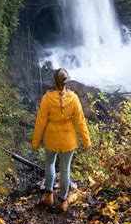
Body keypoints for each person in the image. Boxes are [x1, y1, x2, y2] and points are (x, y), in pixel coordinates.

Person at [31, 68, 91, 211]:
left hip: (51, 137)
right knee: (65, 169)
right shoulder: (74, 98)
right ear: (67, 81)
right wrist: (86, 140)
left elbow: (41, 121)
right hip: (68, 139)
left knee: (50, 164)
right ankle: (63, 201)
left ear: (54, 82)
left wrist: (35, 141)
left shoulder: (47, 98)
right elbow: (80, 121)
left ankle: (48, 196)